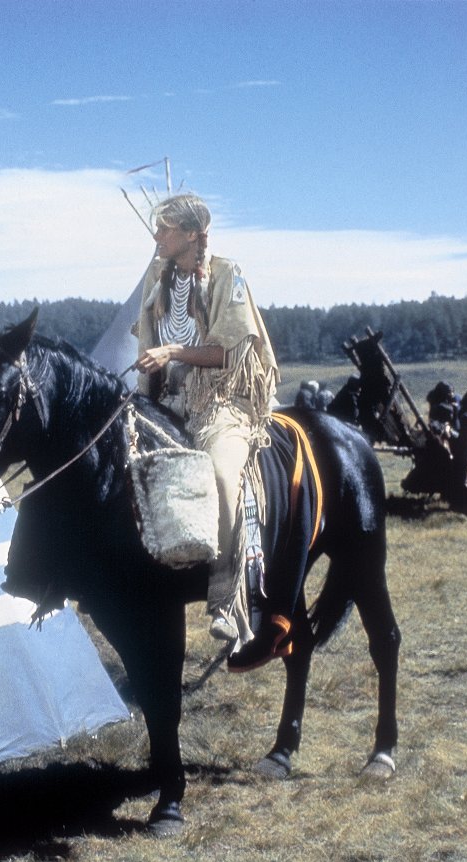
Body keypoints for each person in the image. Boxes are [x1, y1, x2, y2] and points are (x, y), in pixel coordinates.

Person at [133, 193, 279, 647]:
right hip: (168, 398)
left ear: (192, 234)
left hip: (221, 398)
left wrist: (173, 351)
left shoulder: (227, 274)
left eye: (166, 229)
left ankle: (226, 598)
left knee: (219, 472)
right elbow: (147, 343)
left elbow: (225, 352)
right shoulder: (156, 277)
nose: (157, 236)